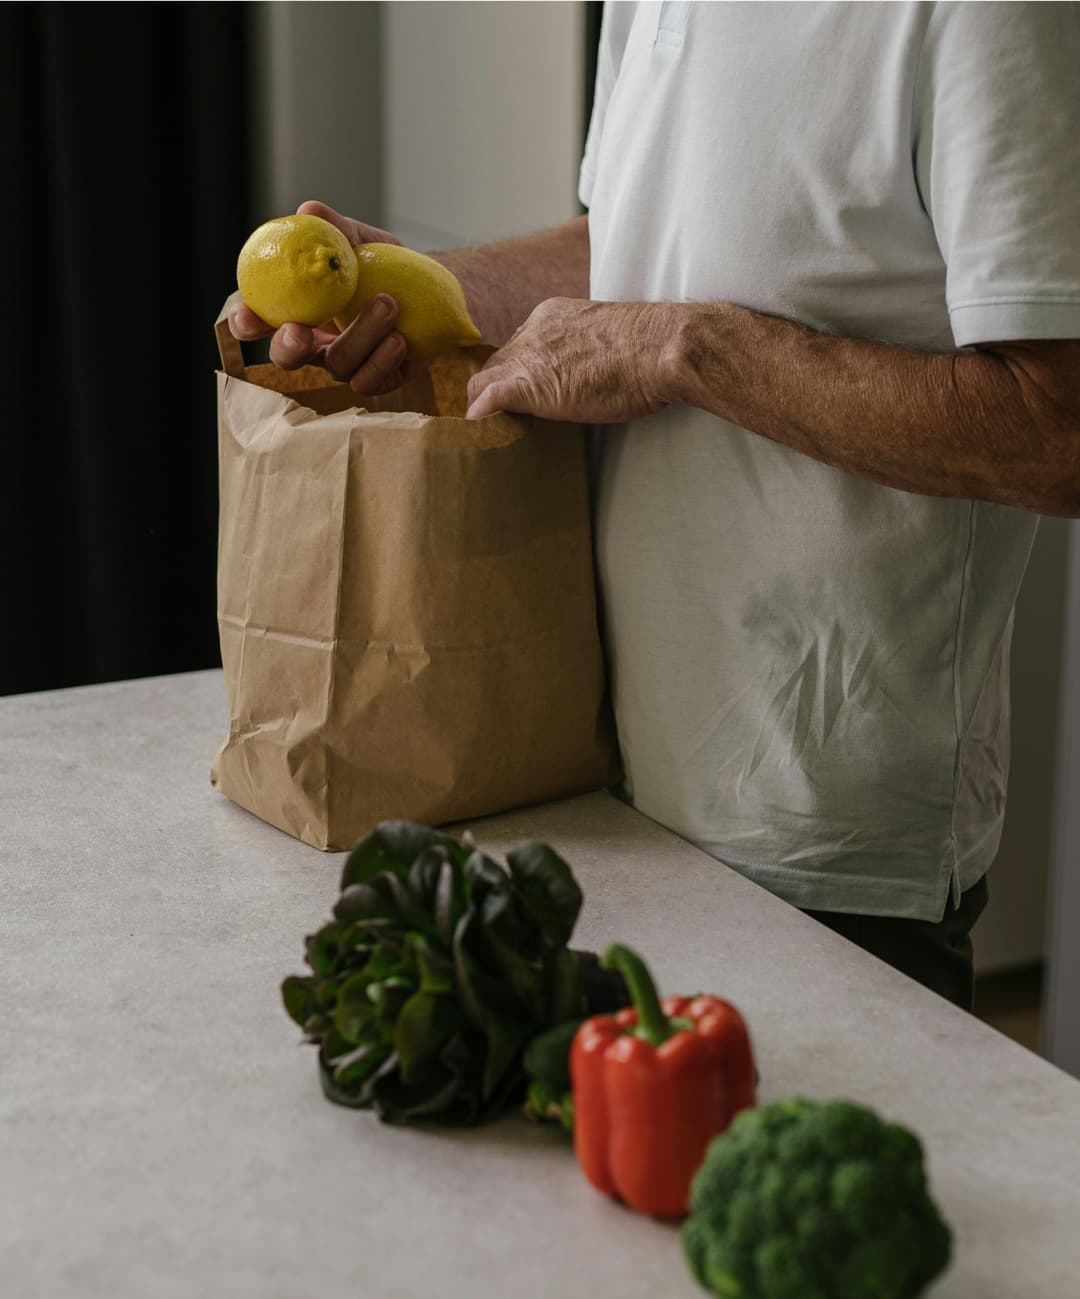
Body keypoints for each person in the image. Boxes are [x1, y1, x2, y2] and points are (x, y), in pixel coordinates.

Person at [230, 2, 1080, 1011]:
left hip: (821, 838)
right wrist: (407, 290)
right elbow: (636, 244)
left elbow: (1056, 430)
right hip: (593, 779)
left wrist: (684, 350)